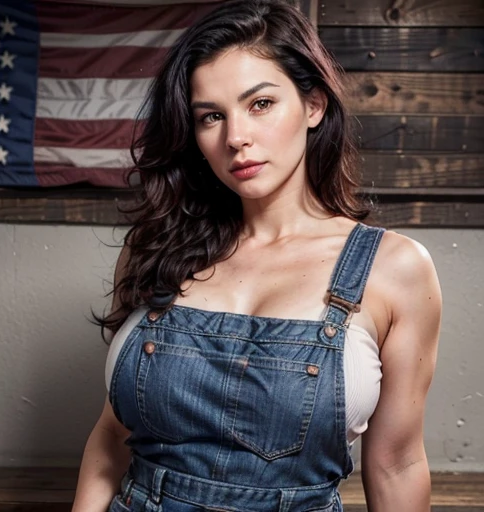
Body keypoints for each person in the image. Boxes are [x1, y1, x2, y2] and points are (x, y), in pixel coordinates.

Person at [72, 0, 442, 510]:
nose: (236, 138)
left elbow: (397, 464)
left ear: (313, 106)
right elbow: (113, 438)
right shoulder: (156, 247)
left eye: (260, 104)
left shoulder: (395, 269)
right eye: (211, 116)